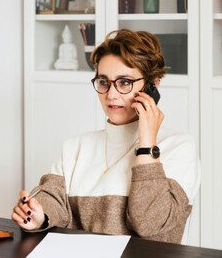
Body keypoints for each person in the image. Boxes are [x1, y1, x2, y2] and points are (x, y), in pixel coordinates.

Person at [11, 29, 200, 244]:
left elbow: (150, 224)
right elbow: (53, 199)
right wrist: (39, 216)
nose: (111, 95)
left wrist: (147, 144)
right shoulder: (76, 146)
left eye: (124, 82)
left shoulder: (179, 147)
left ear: (152, 86)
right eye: (103, 81)